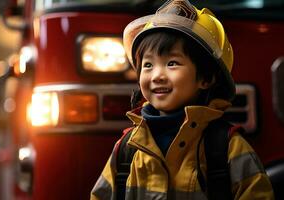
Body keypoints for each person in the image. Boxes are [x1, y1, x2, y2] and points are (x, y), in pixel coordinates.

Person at [91, 0, 274, 199]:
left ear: (206, 78)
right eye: (148, 65)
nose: (157, 76)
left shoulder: (228, 148)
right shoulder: (127, 149)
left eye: (172, 63)